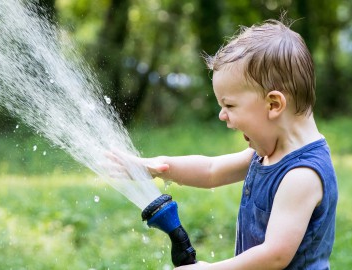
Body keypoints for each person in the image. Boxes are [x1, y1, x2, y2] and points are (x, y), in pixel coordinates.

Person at [110, 18, 338, 269]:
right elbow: (211, 170)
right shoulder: (268, 153)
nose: (222, 115)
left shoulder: (301, 175)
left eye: (229, 105)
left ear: (274, 105)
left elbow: (275, 255)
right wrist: (159, 166)